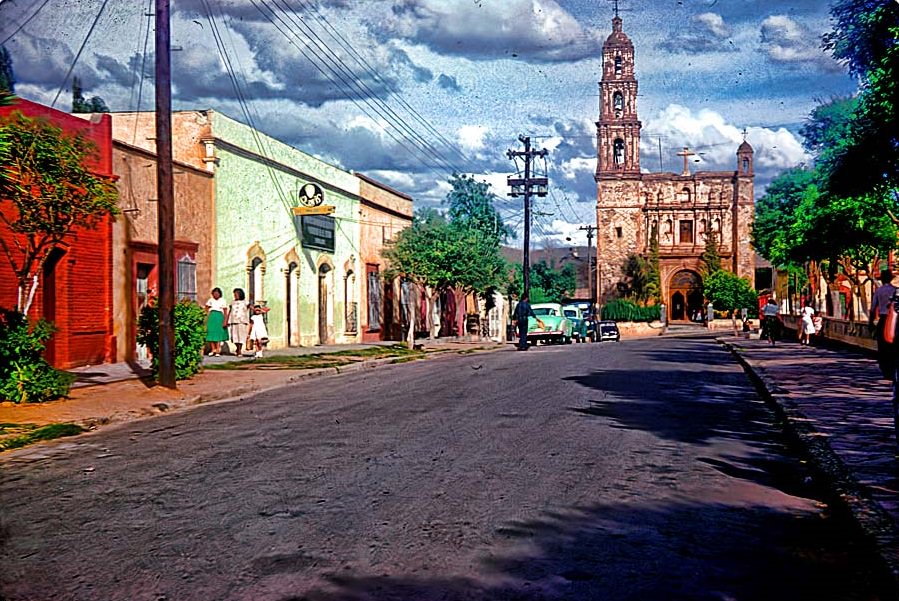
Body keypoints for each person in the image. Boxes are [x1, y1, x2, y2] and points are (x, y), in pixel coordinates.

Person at [870, 269, 898, 380]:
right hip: (895, 320)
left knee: (882, 346)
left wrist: (871, 323)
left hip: (883, 319)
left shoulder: (879, 291)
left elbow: (873, 308)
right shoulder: (895, 291)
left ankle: (886, 370)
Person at [205, 287, 229, 356]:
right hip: (212, 317)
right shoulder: (210, 300)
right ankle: (213, 349)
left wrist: (225, 321)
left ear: (220, 294)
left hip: (219, 317)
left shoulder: (222, 301)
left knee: (218, 334)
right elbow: (206, 308)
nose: (216, 294)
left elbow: (225, 311)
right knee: (211, 333)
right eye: (214, 293)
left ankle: (218, 350)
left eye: (217, 293)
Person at [228, 288, 250, 357]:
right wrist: (227, 320)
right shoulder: (232, 302)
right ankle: (237, 348)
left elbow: (251, 307)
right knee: (234, 337)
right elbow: (230, 311)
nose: (235, 295)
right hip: (234, 321)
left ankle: (239, 350)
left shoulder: (245, 302)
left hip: (242, 321)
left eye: (237, 294)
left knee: (241, 336)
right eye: (234, 294)